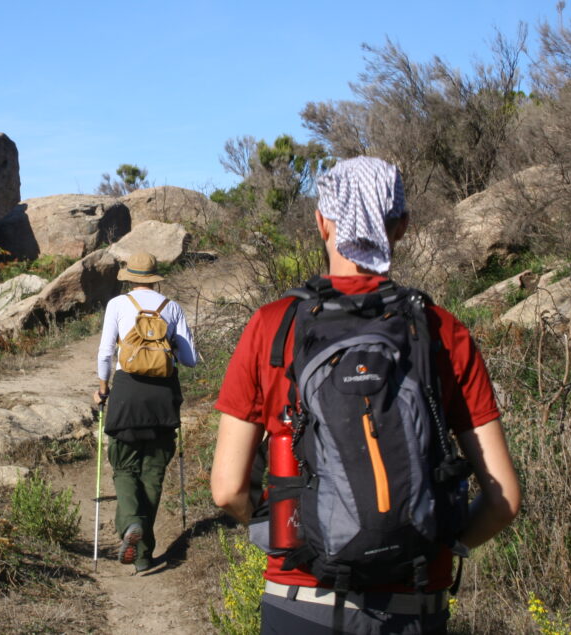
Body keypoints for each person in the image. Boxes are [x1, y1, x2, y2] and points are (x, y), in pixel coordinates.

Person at [210, 156, 521, 633]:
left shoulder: (274, 327)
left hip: (301, 598)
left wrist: (294, 537)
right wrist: (437, 544)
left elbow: (228, 488)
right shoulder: (442, 332)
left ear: (321, 222)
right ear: (401, 226)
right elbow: (503, 502)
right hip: (415, 604)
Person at [94, 251, 199, 572]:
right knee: (153, 474)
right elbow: (191, 359)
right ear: (155, 278)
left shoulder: (117, 304)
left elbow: (105, 352)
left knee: (125, 468)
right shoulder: (173, 307)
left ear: (131, 277)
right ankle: (143, 556)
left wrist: (102, 389)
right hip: (163, 399)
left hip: (126, 395)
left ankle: (130, 528)